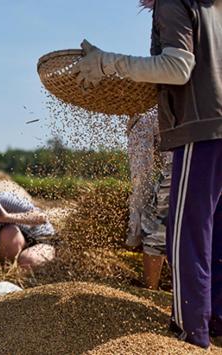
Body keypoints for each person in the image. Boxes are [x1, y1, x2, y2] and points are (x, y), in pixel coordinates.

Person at [74, 0, 222, 348]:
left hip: (200, 131)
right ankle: (215, 319)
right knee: (216, 232)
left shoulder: (173, 1)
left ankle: (190, 333)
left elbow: (177, 68)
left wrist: (108, 63)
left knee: (186, 235)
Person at [126, 112, 172, 290]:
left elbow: (141, 179)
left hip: (182, 163)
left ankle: (151, 289)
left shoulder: (143, 117)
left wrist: (134, 234)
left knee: (154, 221)